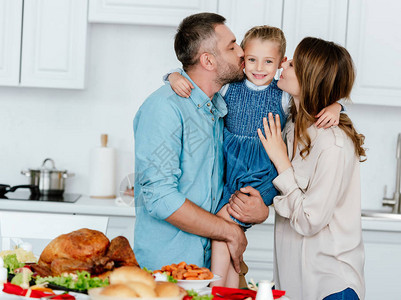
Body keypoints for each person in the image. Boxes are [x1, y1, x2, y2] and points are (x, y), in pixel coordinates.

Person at [167, 25, 343, 287]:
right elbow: (196, 80)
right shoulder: (230, 87)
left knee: (222, 226)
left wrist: (337, 105)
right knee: (228, 233)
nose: (259, 68)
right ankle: (227, 290)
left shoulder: (282, 94)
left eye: (268, 61)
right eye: (251, 60)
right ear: (242, 59)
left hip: (262, 174)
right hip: (232, 171)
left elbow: (317, 92)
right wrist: (172, 75)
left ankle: (214, 290)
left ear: (281, 63)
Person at [133, 13, 269, 274]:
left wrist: (258, 209)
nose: (242, 52)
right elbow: (161, 197)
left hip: (208, 267)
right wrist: (228, 231)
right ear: (207, 60)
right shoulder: (165, 109)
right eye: (231, 46)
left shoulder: (217, 109)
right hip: (169, 271)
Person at [257, 37, 366, 299]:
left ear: (309, 79)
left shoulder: (332, 144)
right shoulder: (292, 125)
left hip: (330, 287)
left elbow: (309, 221)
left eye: (293, 63)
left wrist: (281, 161)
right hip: (295, 283)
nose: (283, 64)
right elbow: (247, 78)